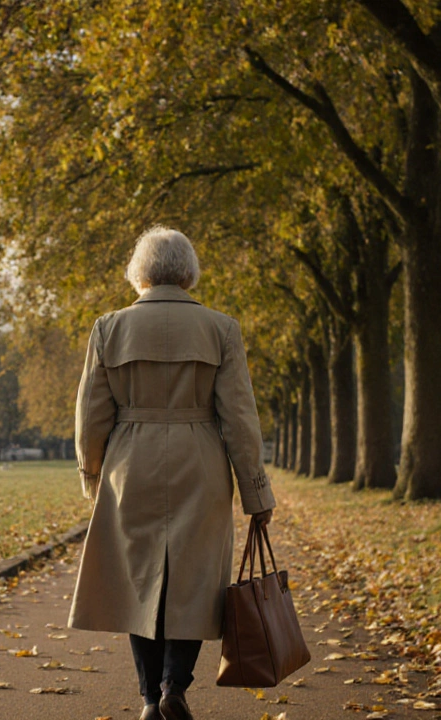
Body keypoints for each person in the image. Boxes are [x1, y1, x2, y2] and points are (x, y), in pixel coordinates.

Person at [68, 226, 277, 720]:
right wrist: (256, 494)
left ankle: (146, 698)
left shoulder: (109, 328)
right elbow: (240, 418)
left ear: (139, 272)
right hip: (200, 461)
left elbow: (90, 414)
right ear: (188, 272)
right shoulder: (221, 328)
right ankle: (173, 687)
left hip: (130, 464)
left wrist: (92, 474)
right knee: (195, 580)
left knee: (137, 581)